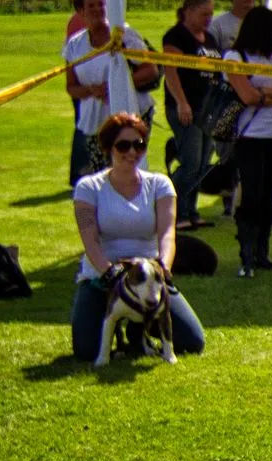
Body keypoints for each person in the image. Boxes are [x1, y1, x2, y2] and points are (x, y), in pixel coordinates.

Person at [70, 113, 206, 362]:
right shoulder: (88, 188)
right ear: (109, 148)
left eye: (139, 145)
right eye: (123, 145)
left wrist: (163, 266)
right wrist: (108, 272)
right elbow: (89, 240)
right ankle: (117, 322)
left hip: (148, 277)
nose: (132, 152)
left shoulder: (160, 185)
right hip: (102, 277)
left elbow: (167, 233)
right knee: (86, 351)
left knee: (193, 342)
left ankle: (138, 330)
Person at [222, 6, 272, 278]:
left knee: (268, 197)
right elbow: (246, 96)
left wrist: (266, 91)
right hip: (249, 136)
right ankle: (246, 253)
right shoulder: (235, 57)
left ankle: (262, 253)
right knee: (251, 195)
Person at [63, 0, 159, 187]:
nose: (98, 9)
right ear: (80, 11)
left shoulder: (124, 35)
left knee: (128, 168)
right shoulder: (75, 45)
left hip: (131, 113)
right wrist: (91, 90)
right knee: (102, 176)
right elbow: (71, 86)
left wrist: (114, 86)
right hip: (96, 119)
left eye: (101, 4)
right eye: (92, 5)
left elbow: (150, 70)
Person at [161, 0, 220, 231]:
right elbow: (171, 71)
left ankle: (192, 210)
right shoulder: (176, 37)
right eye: (204, 14)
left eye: (211, 15)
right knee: (191, 163)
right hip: (187, 110)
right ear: (189, 11)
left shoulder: (211, 39)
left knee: (204, 163)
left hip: (208, 112)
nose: (208, 19)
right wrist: (181, 102)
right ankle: (171, 208)